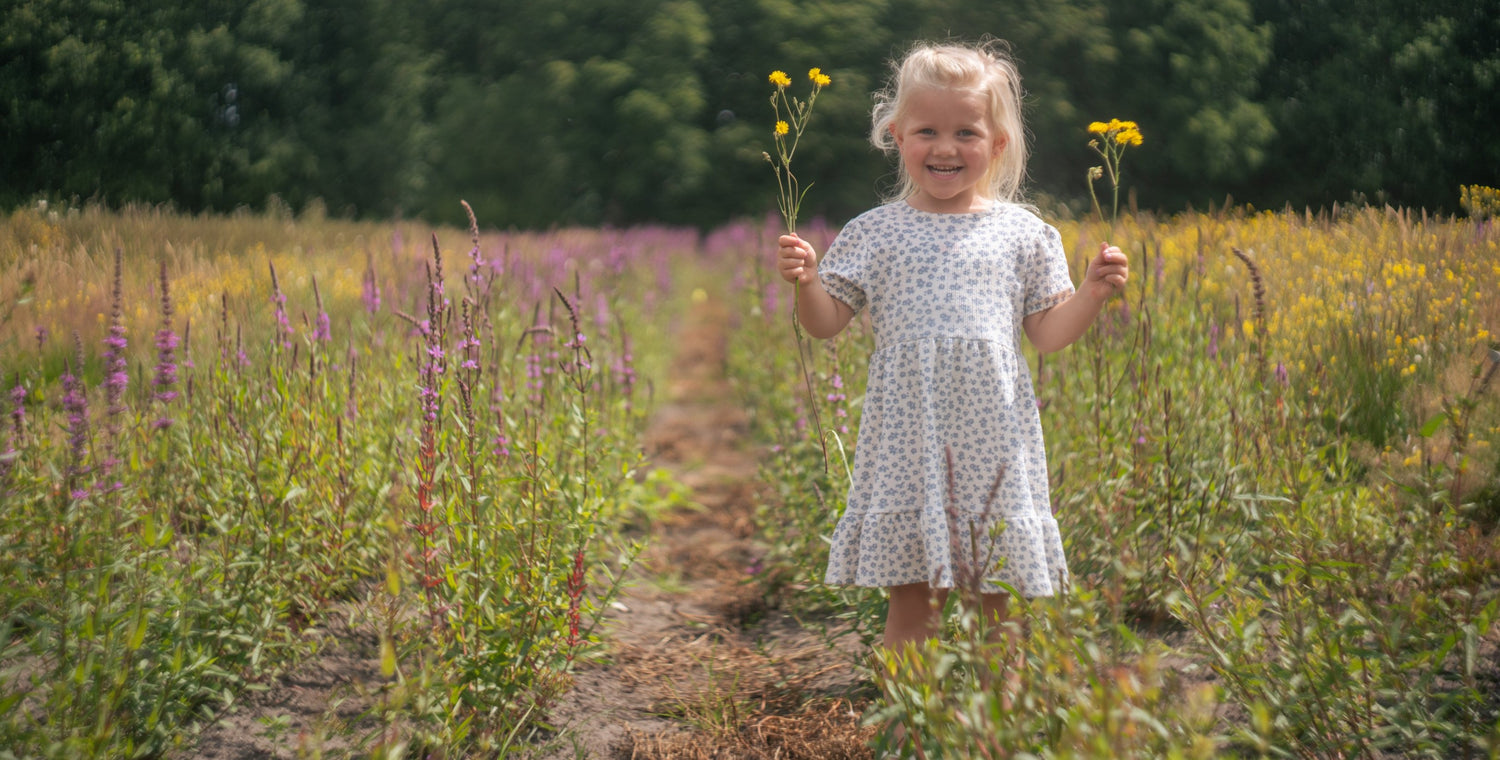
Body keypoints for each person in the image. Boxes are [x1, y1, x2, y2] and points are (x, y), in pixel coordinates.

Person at [775, 40, 1129, 652]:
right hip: (909, 444)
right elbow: (825, 323)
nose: (945, 147)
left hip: (992, 444)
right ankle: (911, 733)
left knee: (997, 604)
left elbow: (1046, 334)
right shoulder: (875, 231)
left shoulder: (1025, 233)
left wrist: (1092, 293)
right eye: (927, 131)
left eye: (966, 131)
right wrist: (807, 281)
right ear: (896, 135)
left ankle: (996, 737)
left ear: (996, 144)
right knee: (912, 602)